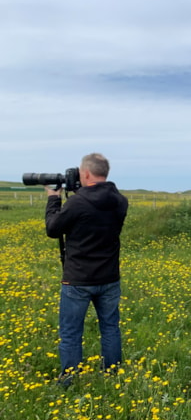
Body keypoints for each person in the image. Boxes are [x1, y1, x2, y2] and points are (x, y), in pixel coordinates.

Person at [45, 153, 128, 387]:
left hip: (79, 279)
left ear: (87, 173)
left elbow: (53, 229)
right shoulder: (120, 200)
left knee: (71, 332)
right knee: (110, 327)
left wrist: (53, 200)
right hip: (109, 276)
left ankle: (69, 380)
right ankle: (112, 373)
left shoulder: (78, 202)